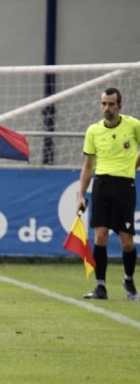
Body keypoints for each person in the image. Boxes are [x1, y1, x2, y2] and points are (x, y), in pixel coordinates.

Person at [77, 87, 140, 301]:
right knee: (100, 236)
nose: (107, 108)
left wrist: (133, 164)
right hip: (101, 185)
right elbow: (87, 166)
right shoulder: (93, 131)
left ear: (120, 106)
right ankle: (100, 286)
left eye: (111, 104)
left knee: (127, 242)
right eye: (104, 103)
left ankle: (129, 279)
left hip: (124, 186)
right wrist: (80, 195)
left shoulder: (133, 125)